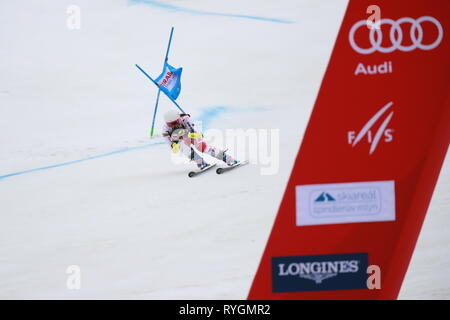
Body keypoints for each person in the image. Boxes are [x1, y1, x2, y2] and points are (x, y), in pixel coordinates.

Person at [162, 110, 238, 169]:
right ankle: (200, 162)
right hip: (180, 140)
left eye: (176, 122)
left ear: (179, 118)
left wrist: (190, 134)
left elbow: (198, 134)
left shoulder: (186, 119)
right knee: (185, 150)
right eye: (171, 124)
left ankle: (228, 158)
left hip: (190, 133)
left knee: (202, 146)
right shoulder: (165, 130)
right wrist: (174, 145)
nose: (175, 125)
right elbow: (172, 147)